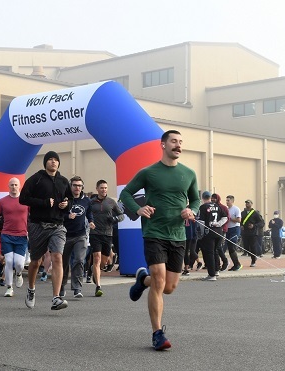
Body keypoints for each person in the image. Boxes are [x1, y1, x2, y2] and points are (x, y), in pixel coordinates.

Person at [120, 129, 200, 351]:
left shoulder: (189, 173)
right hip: (154, 232)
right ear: (163, 145)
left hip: (178, 234)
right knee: (159, 277)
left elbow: (195, 200)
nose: (178, 145)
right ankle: (157, 333)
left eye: (181, 142)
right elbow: (126, 193)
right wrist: (139, 208)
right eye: (174, 141)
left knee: (169, 287)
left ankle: (142, 280)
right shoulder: (149, 172)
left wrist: (191, 211)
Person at [19, 150, 71, 310]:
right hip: (38, 225)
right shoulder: (36, 179)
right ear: (45, 163)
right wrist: (42, 202)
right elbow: (23, 199)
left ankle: (56, 297)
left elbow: (70, 199)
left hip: (58, 225)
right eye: (50, 160)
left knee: (57, 257)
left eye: (56, 160)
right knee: (36, 261)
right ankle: (31, 289)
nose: (53, 162)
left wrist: (66, 204)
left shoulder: (63, 181)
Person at [60, 176, 95, 298]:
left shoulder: (86, 200)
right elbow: (57, 214)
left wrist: (91, 221)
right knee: (63, 263)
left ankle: (77, 288)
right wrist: (67, 217)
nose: (77, 188)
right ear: (70, 186)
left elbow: (89, 212)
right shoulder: (65, 199)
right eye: (75, 185)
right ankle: (61, 286)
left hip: (80, 235)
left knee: (79, 260)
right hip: (64, 235)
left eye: (79, 185)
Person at [0, 178, 29, 297]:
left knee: (19, 263)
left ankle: (18, 274)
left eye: (16, 185)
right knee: (8, 261)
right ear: (8, 186)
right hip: (6, 234)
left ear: (19, 186)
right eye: (12, 185)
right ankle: (9, 287)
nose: (14, 187)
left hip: (22, 235)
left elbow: (32, 217)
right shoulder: (2, 201)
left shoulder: (26, 201)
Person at [89, 179, 124, 297]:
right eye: (102, 188)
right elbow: (85, 214)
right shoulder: (91, 202)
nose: (104, 190)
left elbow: (121, 215)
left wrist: (115, 219)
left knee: (103, 263)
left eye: (105, 188)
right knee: (97, 258)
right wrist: (89, 222)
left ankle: (94, 269)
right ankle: (98, 286)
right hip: (95, 233)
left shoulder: (111, 202)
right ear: (97, 189)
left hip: (108, 234)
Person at [197, 191, 228, 281]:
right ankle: (217, 270)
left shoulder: (203, 207)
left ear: (202, 198)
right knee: (215, 251)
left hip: (209, 233)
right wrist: (218, 224)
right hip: (219, 232)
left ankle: (212, 274)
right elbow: (225, 217)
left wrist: (201, 234)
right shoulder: (217, 206)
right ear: (210, 197)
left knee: (209, 253)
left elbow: (201, 222)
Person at [241, 199, 264, 267]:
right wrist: (241, 225)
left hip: (252, 233)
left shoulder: (255, 213)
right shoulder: (243, 213)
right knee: (246, 247)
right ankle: (253, 255)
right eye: (246, 203)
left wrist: (254, 226)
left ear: (251, 204)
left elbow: (261, 222)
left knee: (253, 247)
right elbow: (240, 221)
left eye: (248, 203)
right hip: (245, 233)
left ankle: (253, 260)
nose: (247, 204)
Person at [211, 193, 230, 271]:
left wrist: (219, 225)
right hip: (212, 230)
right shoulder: (211, 207)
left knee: (218, 247)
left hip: (221, 230)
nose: (213, 200)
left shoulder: (223, 207)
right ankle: (216, 264)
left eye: (214, 198)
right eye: (212, 198)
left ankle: (225, 262)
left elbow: (227, 218)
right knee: (215, 248)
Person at [224, 195, 242, 271]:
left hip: (235, 229)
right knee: (228, 247)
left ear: (232, 201)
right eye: (226, 200)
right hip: (228, 229)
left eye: (228, 200)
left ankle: (237, 264)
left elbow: (239, 220)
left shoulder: (236, 209)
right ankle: (236, 264)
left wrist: (230, 219)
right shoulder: (227, 209)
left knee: (232, 246)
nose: (227, 202)